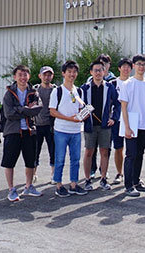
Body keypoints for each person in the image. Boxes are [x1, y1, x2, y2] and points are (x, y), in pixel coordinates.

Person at [1, 65, 43, 201]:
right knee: (9, 162)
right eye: (20, 75)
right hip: (13, 131)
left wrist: (19, 110)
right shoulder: (9, 93)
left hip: (30, 131)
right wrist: (25, 109)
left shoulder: (33, 92)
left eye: (25, 75)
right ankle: (11, 190)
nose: (23, 78)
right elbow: (9, 114)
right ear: (15, 77)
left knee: (31, 161)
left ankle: (28, 186)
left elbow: (37, 109)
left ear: (29, 77)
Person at [49, 60, 88, 197]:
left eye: (74, 72)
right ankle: (59, 185)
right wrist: (70, 118)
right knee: (59, 158)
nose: (72, 74)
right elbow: (52, 111)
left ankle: (73, 184)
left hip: (76, 131)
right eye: (69, 72)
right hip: (61, 130)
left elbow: (81, 109)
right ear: (63, 73)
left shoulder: (79, 91)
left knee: (75, 159)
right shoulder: (57, 91)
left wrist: (83, 115)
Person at [81, 60, 120, 191]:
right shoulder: (84, 88)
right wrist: (82, 117)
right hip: (90, 126)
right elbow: (78, 106)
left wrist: (113, 118)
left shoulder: (109, 87)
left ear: (104, 72)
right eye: (95, 70)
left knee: (105, 151)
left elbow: (117, 104)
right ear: (91, 72)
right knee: (88, 152)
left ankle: (103, 179)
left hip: (105, 126)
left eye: (100, 70)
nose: (98, 72)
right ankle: (87, 180)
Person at [120, 54, 145, 197]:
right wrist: (127, 126)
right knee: (130, 154)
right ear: (134, 66)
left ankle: (136, 181)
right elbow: (123, 106)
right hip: (131, 122)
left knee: (140, 154)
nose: (141, 67)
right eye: (139, 64)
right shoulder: (127, 84)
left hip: (144, 124)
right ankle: (128, 185)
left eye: (144, 64)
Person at [90, 53, 116, 179]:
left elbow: (116, 102)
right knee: (92, 147)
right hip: (92, 120)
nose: (103, 65)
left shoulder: (113, 81)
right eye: (101, 62)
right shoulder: (90, 81)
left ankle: (103, 170)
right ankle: (92, 169)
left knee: (106, 148)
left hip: (106, 121)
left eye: (106, 63)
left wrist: (113, 118)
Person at [110, 58, 132, 184]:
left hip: (131, 120)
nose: (125, 69)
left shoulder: (134, 82)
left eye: (128, 67)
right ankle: (119, 173)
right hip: (117, 121)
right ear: (119, 68)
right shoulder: (113, 84)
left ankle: (132, 175)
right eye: (123, 66)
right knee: (118, 148)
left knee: (131, 149)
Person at [33, 66, 56, 184]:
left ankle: (53, 174)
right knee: (35, 151)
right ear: (40, 76)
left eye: (49, 75)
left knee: (53, 150)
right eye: (45, 75)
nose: (47, 77)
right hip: (37, 125)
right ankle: (33, 174)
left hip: (51, 125)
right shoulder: (34, 90)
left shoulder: (56, 90)